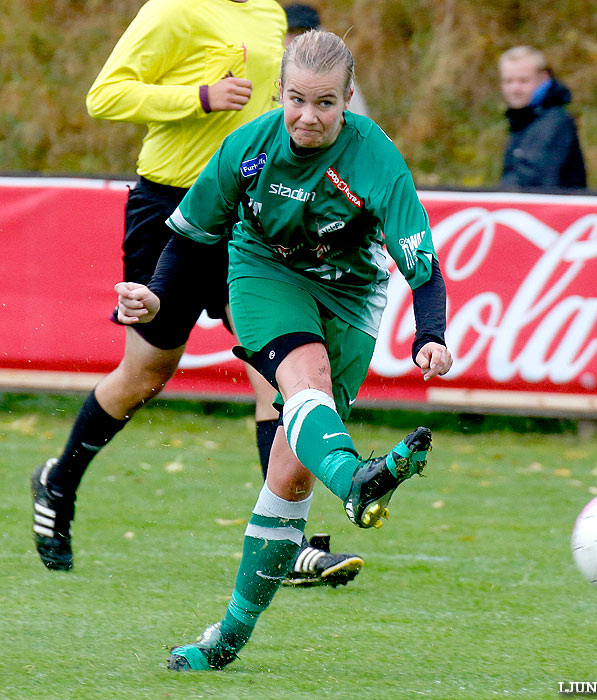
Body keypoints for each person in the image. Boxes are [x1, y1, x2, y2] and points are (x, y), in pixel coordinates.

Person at [114, 29, 453, 671]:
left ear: (349, 98)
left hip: (352, 299)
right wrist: (158, 297)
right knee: (306, 378)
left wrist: (430, 333)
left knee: (290, 476)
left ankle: (227, 641)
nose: (308, 116)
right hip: (264, 275)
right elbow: (189, 237)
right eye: (296, 99)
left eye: (326, 103)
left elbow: (423, 265)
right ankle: (357, 481)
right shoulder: (246, 147)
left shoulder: (376, 159)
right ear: (279, 93)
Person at [31, 0, 364, 588]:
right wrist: (199, 98)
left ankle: (292, 543)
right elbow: (105, 96)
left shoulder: (266, 12)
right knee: (147, 373)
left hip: (248, 213)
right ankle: (59, 481)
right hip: (170, 207)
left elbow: (276, 106)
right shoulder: (172, 10)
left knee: (280, 371)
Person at [498, 45, 587, 190]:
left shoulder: (555, 122)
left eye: (523, 81)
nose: (515, 89)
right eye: (508, 81)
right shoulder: (522, 119)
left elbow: (533, 179)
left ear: (543, 78)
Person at [283, 2, 370, 117]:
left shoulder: (337, 76)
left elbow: (357, 120)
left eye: (303, 32)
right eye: (291, 33)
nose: (297, 39)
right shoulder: (269, 71)